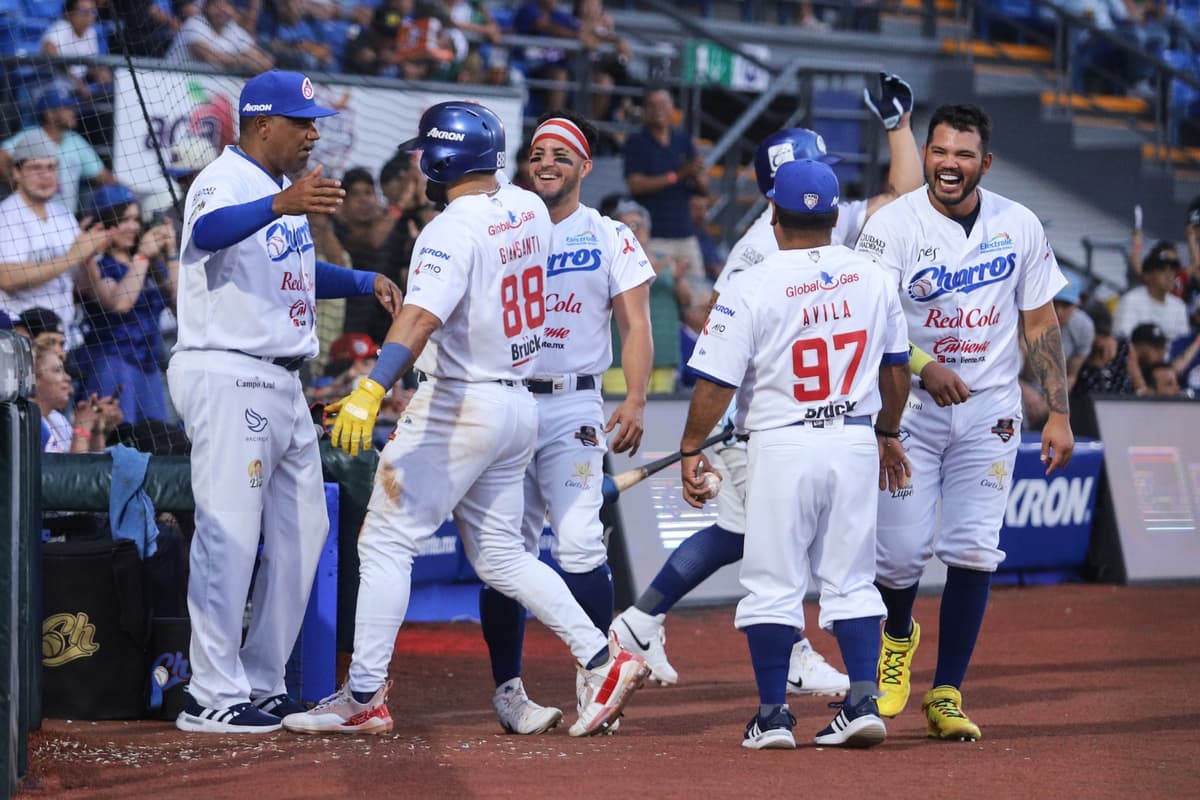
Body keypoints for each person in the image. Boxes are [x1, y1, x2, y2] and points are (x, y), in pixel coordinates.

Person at [280, 101, 651, 738]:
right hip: (516, 408)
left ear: (447, 156)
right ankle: (603, 656)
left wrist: (372, 388)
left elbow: (420, 319)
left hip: (463, 402)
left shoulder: (451, 228)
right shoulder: (527, 208)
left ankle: (365, 694)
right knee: (505, 556)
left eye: (426, 151)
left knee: (387, 542)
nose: (418, 160)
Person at [611, 73, 922, 691]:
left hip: (772, 416)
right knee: (767, 537)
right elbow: (727, 340)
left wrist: (899, 129)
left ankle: (640, 623)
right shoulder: (763, 248)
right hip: (758, 418)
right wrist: (711, 434)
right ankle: (789, 652)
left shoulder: (804, 223)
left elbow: (902, 196)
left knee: (747, 533)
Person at [167, 69, 402, 734]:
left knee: (305, 533)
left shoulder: (276, 192)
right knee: (230, 534)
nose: (313, 132)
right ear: (263, 123)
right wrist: (281, 204)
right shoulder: (225, 177)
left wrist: (359, 276)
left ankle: (261, 681)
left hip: (282, 378)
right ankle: (209, 692)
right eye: (302, 122)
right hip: (226, 367)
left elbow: (297, 272)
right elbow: (208, 233)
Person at [854, 103, 1074, 742]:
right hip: (908, 410)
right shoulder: (890, 225)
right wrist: (924, 366)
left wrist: (1058, 412)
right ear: (925, 154)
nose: (950, 165)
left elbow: (1039, 323)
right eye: (940, 152)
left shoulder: (1019, 223)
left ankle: (946, 691)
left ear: (986, 161)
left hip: (992, 412)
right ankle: (899, 635)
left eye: (964, 155)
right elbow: (875, 322)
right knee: (896, 559)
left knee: (976, 549)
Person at [678, 158, 912, 749]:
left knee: (772, 582)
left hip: (782, 441)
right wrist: (887, 432)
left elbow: (714, 383)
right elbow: (897, 373)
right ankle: (862, 699)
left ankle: (774, 715)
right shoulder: (872, 275)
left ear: (772, 216)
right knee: (854, 578)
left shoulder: (749, 282)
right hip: (854, 439)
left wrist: (689, 446)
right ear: (835, 218)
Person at [475, 110, 654, 735]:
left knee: (578, 540)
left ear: (583, 166)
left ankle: (596, 677)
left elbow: (635, 324)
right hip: (503, 400)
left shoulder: (610, 235)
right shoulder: (498, 225)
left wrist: (633, 399)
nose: (545, 162)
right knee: (506, 552)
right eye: (536, 153)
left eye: (560, 154)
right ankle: (509, 690)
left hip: (575, 404)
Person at [74, 183, 178, 424]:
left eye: (135, 219)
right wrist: (142, 256)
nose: (131, 226)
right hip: (112, 367)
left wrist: (170, 252)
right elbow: (120, 302)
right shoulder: (95, 262)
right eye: (122, 220)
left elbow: (178, 300)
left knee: (157, 444)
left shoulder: (150, 262)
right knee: (117, 441)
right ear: (104, 222)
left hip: (150, 367)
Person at [0, 129, 111, 343]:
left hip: (66, 338)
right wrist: (72, 256)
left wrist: (90, 255)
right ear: (16, 172)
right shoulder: (5, 216)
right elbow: (7, 278)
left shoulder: (64, 216)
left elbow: (83, 286)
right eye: (35, 168)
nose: (46, 175)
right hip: (22, 341)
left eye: (51, 167)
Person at [623, 88, 709, 301]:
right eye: (652, 105)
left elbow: (704, 189)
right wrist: (678, 175)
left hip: (685, 234)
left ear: (672, 109)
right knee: (658, 299)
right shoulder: (636, 142)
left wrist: (696, 174)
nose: (658, 110)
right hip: (654, 237)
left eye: (663, 104)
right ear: (645, 111)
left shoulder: (683, 140)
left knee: (699, 299)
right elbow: (636, 185)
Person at [0, 86, 117, 216]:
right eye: (66, 108)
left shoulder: (75, 140)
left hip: (65, 220)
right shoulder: (31, 136)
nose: (73, 112)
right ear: (50, 113)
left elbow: (103, 177)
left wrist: (128, 193)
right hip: (30, 215)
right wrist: (19, 186)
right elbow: (1, 157)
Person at [165, 0, 275, 71]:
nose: (221, 9)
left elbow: (261, 59)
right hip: (175, 83)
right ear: (206, 7)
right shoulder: (194, 23)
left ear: (233, 9)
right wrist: (245, 60)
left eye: (226, 4)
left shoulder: (233, 28)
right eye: (215, 4)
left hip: (212, 89)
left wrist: (260, 61)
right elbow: (209, 56)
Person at [1113, 243, 1190, 341]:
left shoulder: (1179, 306)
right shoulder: (1130, 301)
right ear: (1147, 275)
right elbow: (1123, 343)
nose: (1169, 274)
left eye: (1172, 269)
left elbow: (1181, 346)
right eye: (1162, 269)